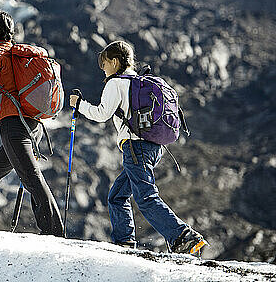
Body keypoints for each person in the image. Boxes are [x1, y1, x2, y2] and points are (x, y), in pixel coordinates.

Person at [69, 41, 205, 254]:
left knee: (146, 197)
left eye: (104, 64)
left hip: (135, 148)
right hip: (154, 147)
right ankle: (124, 242)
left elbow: (101, 114)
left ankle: (183, 237)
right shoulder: (139, 81)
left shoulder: (116, 83)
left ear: (114, 62)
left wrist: (79, 104)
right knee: (117, 196)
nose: (103, 69)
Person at [0, 10, 64, 237]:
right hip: (33, 126)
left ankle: (55, 233)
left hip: (14, 127)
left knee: (31, 178)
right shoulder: (20, 55)